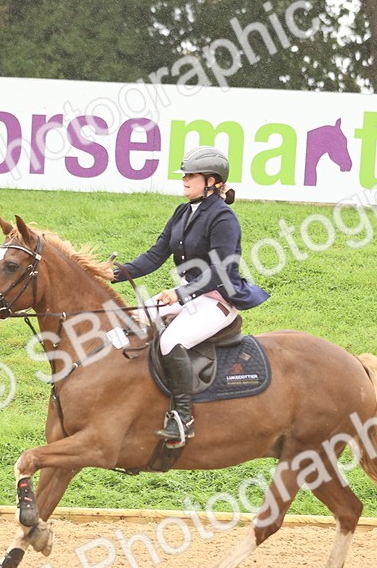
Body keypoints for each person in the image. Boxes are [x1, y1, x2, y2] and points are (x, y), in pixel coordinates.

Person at [109, 145, 269, 444]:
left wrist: (180, 293)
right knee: (129, 320)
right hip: (187, 297)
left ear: (213, 181)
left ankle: (183, 417)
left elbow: (220, 270)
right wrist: (112, 274)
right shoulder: (183, 212)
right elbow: (155, 255)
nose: (184, 179)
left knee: (171, 341)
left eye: (191, 175)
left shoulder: (224, 218)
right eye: (184, 174)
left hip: (216, 300)